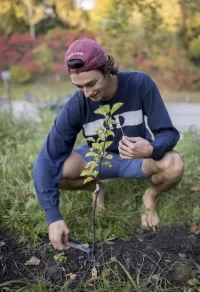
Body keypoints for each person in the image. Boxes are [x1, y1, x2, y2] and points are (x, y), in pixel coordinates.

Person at [33, 38, 184, 251]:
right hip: (98, 157)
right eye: (79, 86)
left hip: (137, 158)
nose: (87, 93)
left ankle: (150, 195)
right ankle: (96, 187)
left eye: (91, 83)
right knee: (57, 170)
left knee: (174, 164)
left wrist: (150, 148)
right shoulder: (78, 103)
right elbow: (46, 160)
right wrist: (53, 218)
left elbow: (167, 133)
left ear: (107, 70)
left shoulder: (139, 83)